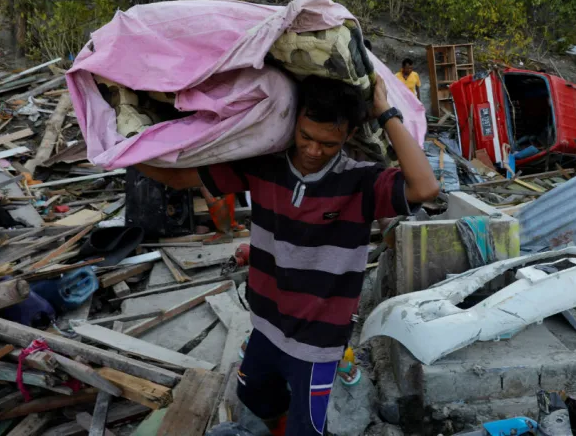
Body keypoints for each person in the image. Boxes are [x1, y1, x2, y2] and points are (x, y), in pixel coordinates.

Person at [135, 75, 439, 436]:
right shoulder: (264, 165)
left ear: (349, 134)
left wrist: (385, 112)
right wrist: (118, 151)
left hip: (317, 339)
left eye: (327, 143)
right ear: (291, 122)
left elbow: (425, 187)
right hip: (267, 323)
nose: (313, 150)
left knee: (307, 429)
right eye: (305, 137)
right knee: (254, 395)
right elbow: (180, 178)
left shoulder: (361, 181)